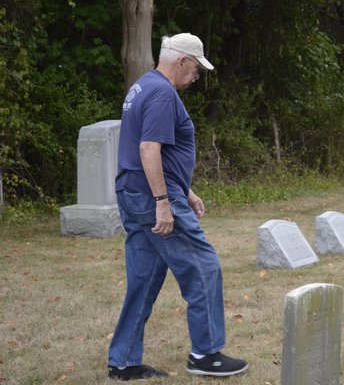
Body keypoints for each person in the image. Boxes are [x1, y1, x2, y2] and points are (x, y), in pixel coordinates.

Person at [107, 33, 249, 381]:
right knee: (203, 266)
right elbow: (149, 150)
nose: (197, 77)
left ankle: (123, 362)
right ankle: (206, 354)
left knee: (144, 279)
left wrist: (187, 191)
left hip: (135, 193)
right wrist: (164, 203)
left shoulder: (143, 86)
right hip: (152, 197)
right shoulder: (162, 92)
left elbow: (161, 155)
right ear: (183, 60)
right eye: (197, 69)